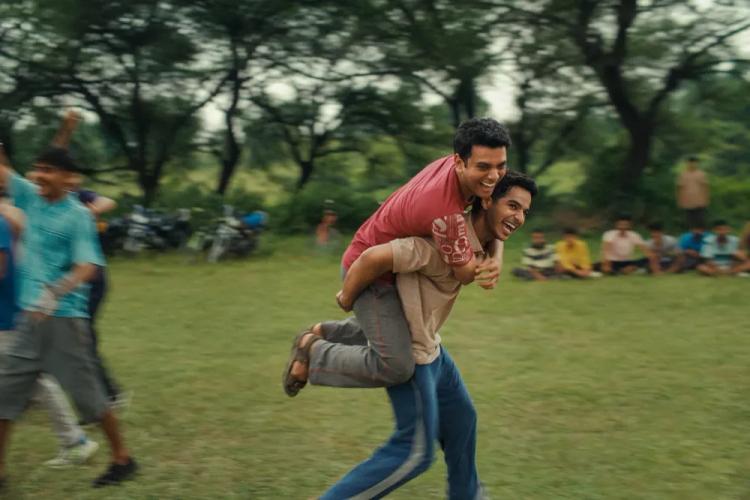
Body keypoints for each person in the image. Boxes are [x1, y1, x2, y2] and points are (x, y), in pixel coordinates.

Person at [316, 171, 537, 499]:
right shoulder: (443, 243)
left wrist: (497, 254)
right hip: (413, 352)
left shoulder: (478, 238)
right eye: (513, 206)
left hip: (432, 348)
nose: (519, 218)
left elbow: (493, 229)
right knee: (414, 453)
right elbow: (374, 257)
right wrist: (346, 297)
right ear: (487, 200)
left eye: (524, 211)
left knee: (462, 420)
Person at [283, 118, 510, 396]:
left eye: (501, 165)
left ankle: (324, 332)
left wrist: (497, 255)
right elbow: (464, 273)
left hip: (394, 265)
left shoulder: (458, 170)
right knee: (396, 365)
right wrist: (490, 258)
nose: (494, 177)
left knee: (395, 332)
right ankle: (314, 351)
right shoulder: (444, 214)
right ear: (459, 162)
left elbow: (496, 214)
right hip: (370, 272)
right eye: (484, 167)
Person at [0, 142, 137, 489]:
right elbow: (3, 172)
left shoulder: (77, 216)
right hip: (30, 321)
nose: (39, 175)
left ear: (68, 178)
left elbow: (87, 266)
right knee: (5, 395)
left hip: (64, 320)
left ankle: (123, 458)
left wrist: (55, 292)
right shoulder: (30, 198)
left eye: (48, 170)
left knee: (90, 398)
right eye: (37, 169)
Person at [1, 190, 100, 470]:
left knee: (35, 380)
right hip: (15, 311)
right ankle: (74, 440)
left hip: (8, 315)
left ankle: (75, 440)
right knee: (30, 380)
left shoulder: (4, 219)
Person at [676, 156, 709, 228]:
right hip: (687, 202)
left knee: (700, 220)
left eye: (694, 163)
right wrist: (679, 201)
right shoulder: (683, 174)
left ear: (697, 163)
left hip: (699, 201)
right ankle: (690, 233)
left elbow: (705, 187)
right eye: (690, 163)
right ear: (687, 163)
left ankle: (702, 233)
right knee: (689, 220)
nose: (692, 164)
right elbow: (680, 188)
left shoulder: (701, 174)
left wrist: (706, 200)